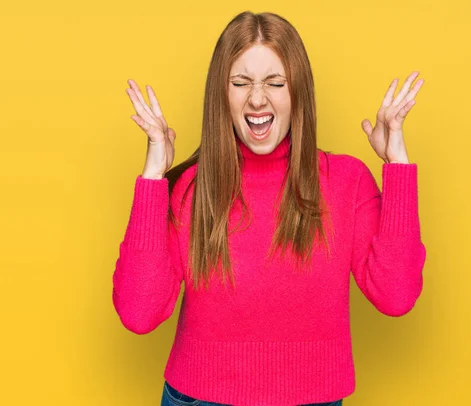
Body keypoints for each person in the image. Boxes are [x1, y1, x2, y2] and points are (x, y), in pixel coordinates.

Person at [113, 10, 427, 406]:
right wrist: (153, 178)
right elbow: (139, 314)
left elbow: (396, 296)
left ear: (298, 91)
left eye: (275, 83)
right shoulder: (191, 189)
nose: (257, 98)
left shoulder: (347, 181)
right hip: (198, 399)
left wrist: (397, 167)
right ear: (221, 94)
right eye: (241, 82)